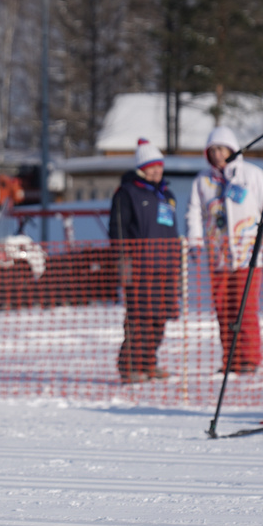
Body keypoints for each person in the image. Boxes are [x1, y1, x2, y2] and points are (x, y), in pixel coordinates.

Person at [187, 126, 263, 374]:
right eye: (212, 151)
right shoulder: (203, 181)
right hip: (219, 257)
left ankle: (249, 358)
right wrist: (195, 241)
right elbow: (194, 212)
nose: (217, 155)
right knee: (224, 309)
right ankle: (230, 359)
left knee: (245, 308)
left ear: (232, 150)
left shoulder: (252, 175)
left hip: (248, 256)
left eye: (221, 149)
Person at [109, 138, 181, 384]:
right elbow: (118, 228)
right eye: (151, 166)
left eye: (159, 165)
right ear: (141, 169)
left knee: (159, 317)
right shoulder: (127, 193)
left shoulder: (167, 195)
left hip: (165, 267)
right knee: (139, 317)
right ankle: (130, 366)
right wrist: (123, 260)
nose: (156, 171)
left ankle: (149, 363)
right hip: (140, 266)